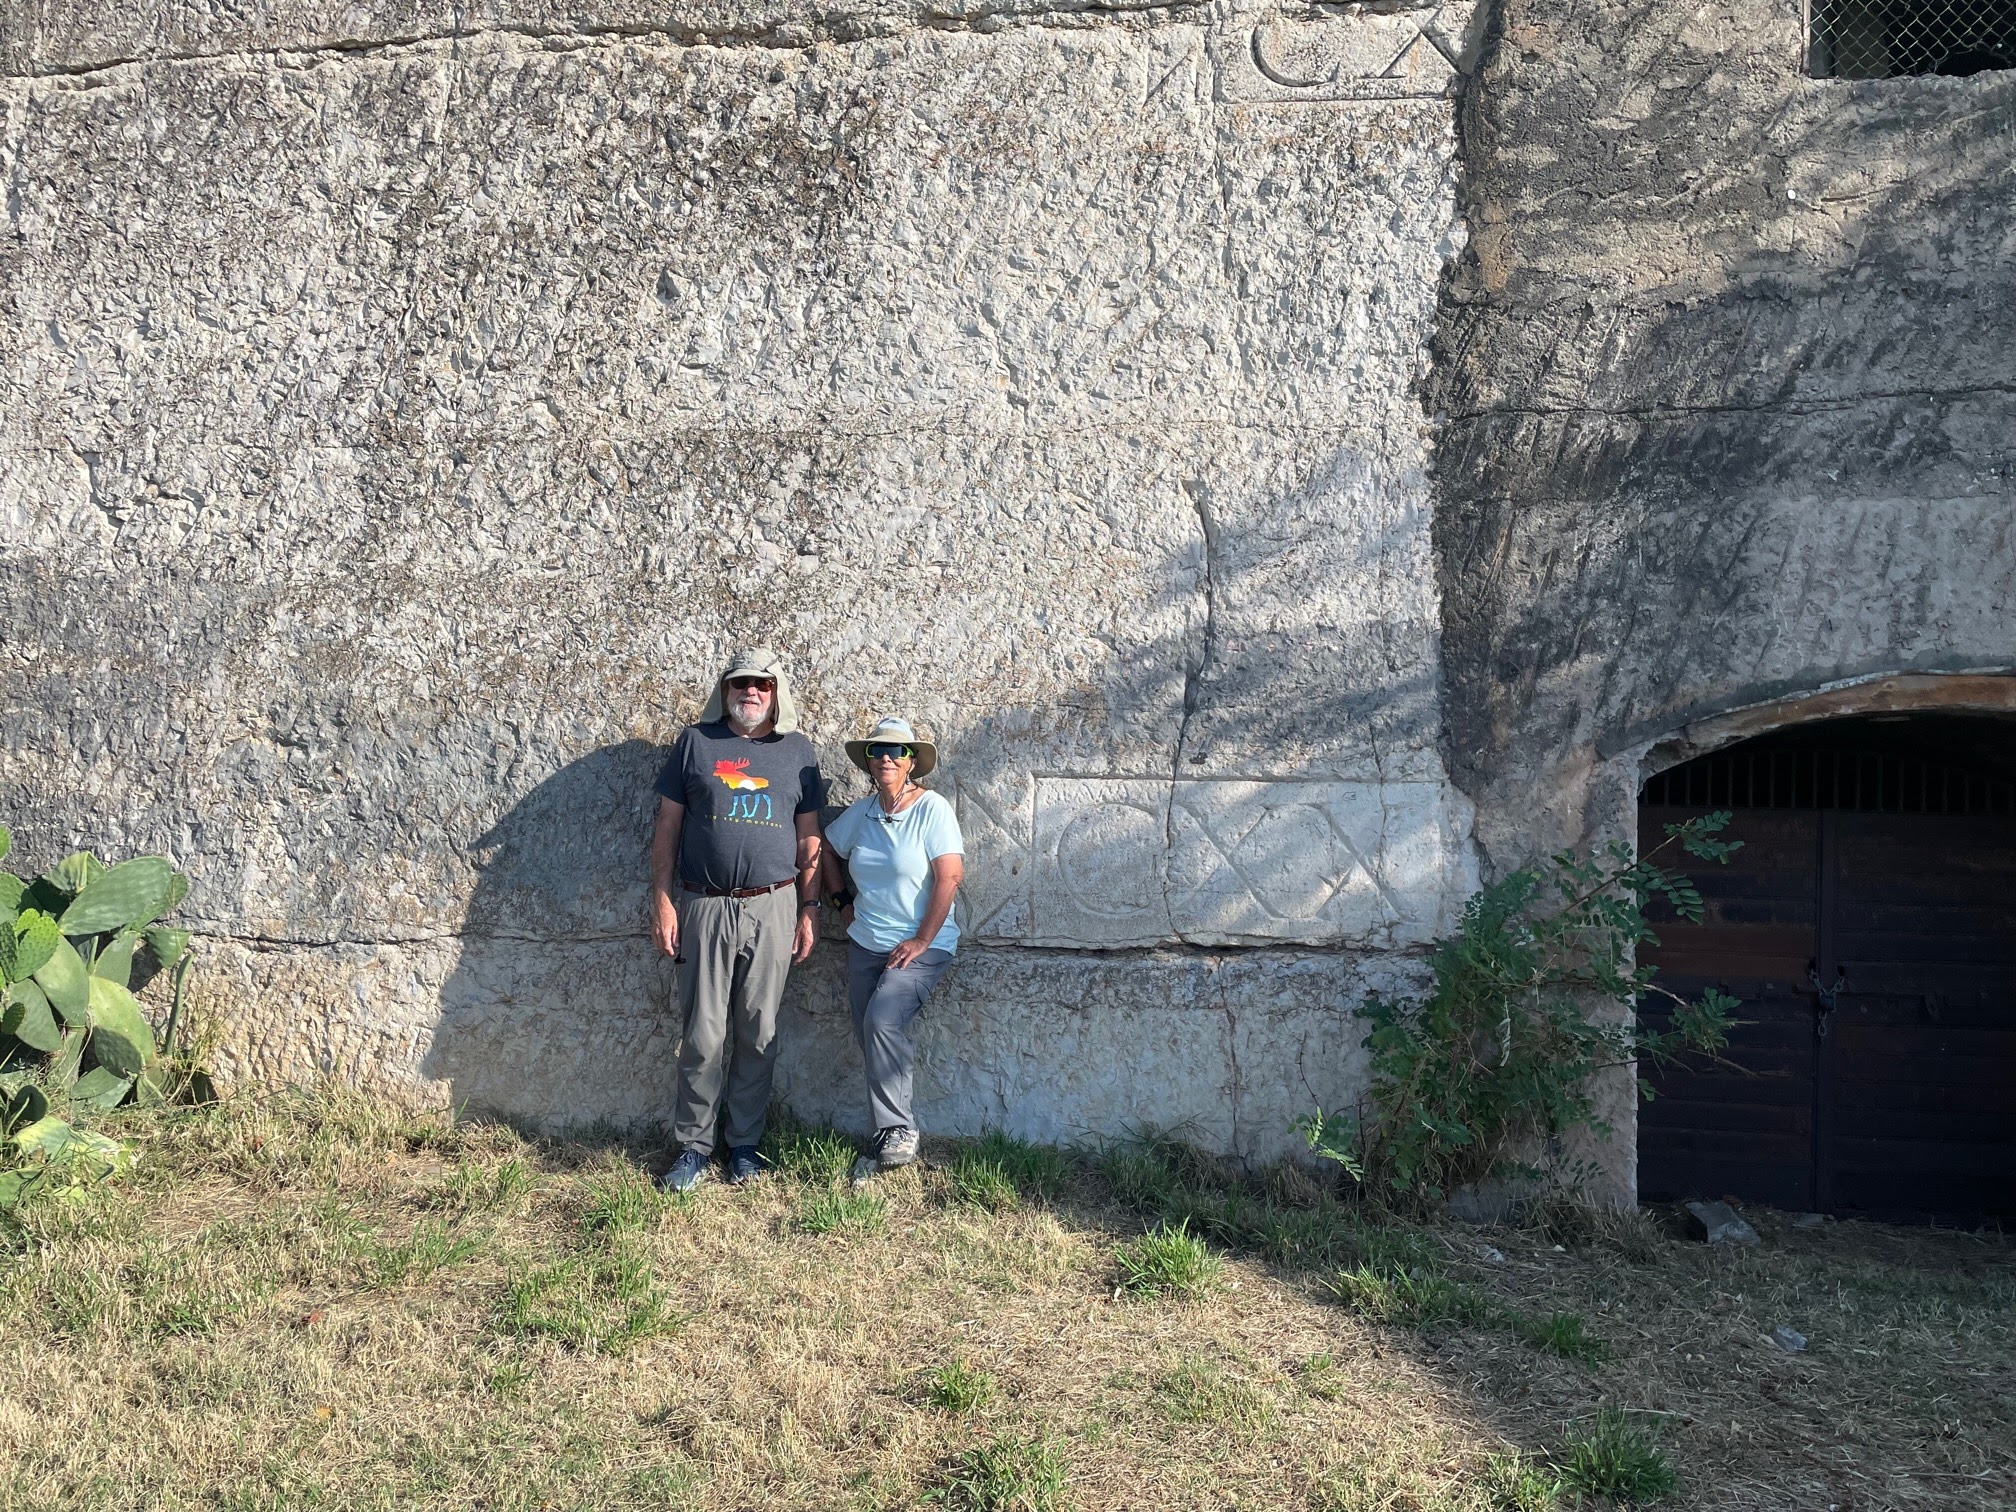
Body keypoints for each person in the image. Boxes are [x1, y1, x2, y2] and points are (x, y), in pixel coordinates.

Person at [650, 649, 824, 1191]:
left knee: (759, 1031)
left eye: (762, 685)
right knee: (702, 1033)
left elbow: (809, 836)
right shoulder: (696, 743)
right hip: (702, 904)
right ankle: (693, 1147)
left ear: (777, 694)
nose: (751, 692)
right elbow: (667, 827)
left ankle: (744, 1144)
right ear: (725, 691)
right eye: (741, 683)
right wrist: (661, 899)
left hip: (774, 906)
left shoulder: (797, 752)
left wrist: (810, 907)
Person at [820, 716, 964, 1184]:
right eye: (877, 750)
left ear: (911, 762)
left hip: (923, 946)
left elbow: (950, 876)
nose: (886, 757)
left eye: (897, 752)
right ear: (867, 760)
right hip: (867, 941)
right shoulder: (861, 814)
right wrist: (842, 906)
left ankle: (898, 1130)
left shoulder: (932, 809)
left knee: (883, 1020)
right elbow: (827, 851)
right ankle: (891, 1134)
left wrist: (922, 938)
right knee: (870, 1032)